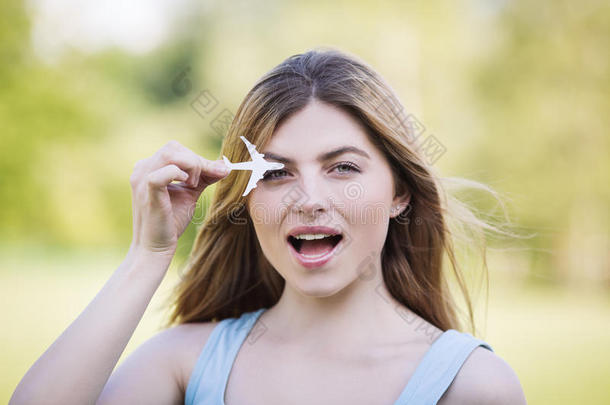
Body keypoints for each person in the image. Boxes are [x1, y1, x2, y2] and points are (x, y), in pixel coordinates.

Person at [10, 47, 527, 404]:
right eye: (276, 173)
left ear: (399, 193)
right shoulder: (184, 363)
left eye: (342, 167)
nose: (308, 200)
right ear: (248, 199)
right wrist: (146, 257)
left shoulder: (473, 387)